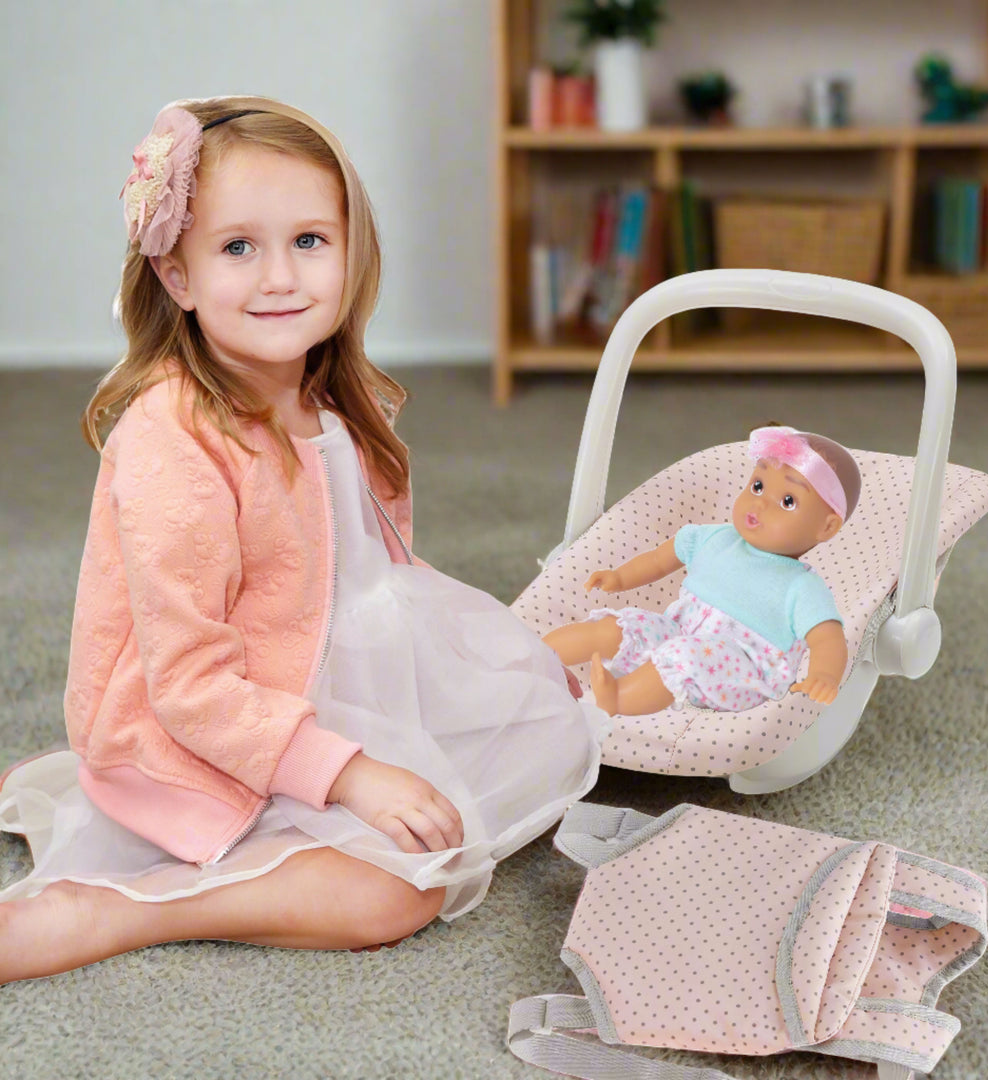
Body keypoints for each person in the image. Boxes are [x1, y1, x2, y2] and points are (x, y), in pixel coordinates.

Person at [0, 96, 607, 983]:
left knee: (547, 730)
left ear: (351, 252)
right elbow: (189, 686)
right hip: (210, 724)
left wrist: (490, 660)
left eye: (310, 241)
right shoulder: (174, 437)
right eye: (238, 247)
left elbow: (375, 567)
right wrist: (353, 776)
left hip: (315, 671)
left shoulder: (333, 396)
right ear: (177, 276)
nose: (280, 276)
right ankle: (124, 908)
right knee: (398, 892)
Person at [543, 426, 861, 718]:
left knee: (682, 655)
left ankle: (617, 699)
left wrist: (824, 675)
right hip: (680, 632)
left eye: (788, 501)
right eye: (759, 486)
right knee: (623, 626)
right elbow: (658, 560)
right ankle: (539, 655)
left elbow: (828, 639)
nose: (760, 504)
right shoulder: (714, 537)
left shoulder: (801, 585)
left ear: (826, 526)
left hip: (741, 671)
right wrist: (620, 577)